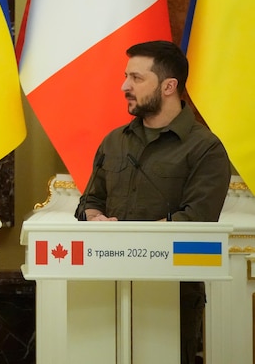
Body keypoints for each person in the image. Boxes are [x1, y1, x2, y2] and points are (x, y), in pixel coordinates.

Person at [77, 40, 231, 364]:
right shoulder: (114, 141)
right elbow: (91, 199)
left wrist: (137, 242)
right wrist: (95, 219)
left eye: (136, 78)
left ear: (168, 86)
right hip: (105, 289)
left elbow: (198, 221)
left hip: (171, 299)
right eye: (125, 76)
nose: (124, 86)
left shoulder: (206, 149)